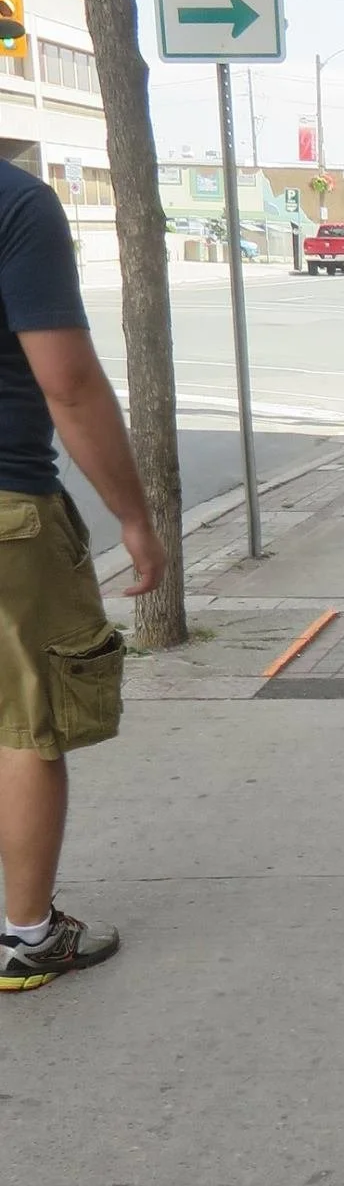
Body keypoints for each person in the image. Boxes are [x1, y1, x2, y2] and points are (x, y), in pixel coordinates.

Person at [0, 157, 164, 991]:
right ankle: (28, 936)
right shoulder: (16, 204)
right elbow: (67, 382)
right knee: (26, 726)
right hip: (7, 511)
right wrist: (134, 517)